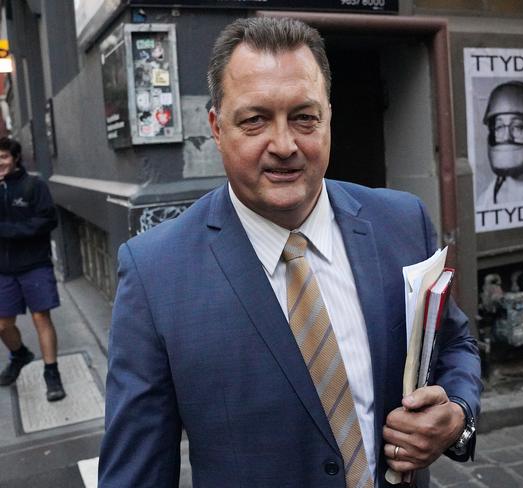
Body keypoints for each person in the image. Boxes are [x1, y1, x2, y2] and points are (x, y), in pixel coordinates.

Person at [99, 17, 481, 488]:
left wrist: (457, 416)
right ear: (217, 128)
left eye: (304, 117)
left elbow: (454, 345)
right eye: (255, 119)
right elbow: (136, 474)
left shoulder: (401, 222)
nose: (284, 145)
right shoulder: (156, 274)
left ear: (328, 119)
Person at [0, 137, 65, 401]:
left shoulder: (34, 186)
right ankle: (19, 355)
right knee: (3, 324)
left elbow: (49, 220)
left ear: (15, 158)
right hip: (3, 268)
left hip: (34, 264)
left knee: (41, 318)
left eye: (3, 157)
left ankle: (52, 373)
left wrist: (12, 231)